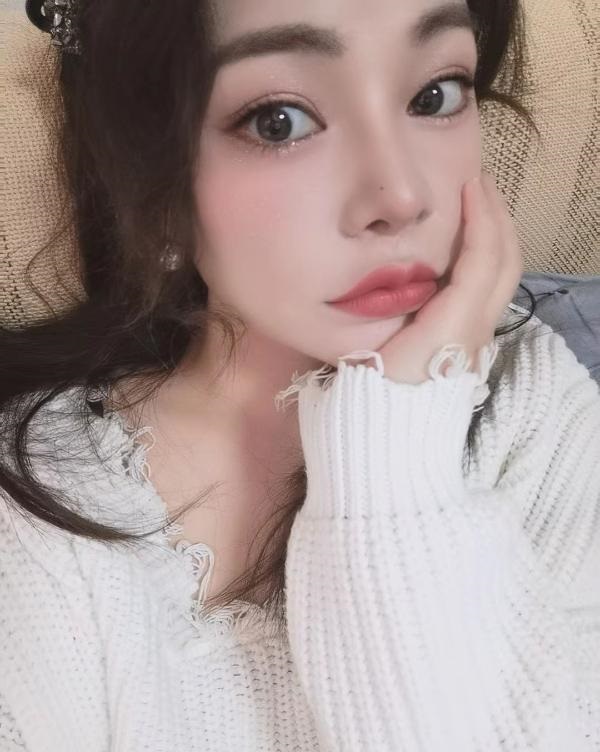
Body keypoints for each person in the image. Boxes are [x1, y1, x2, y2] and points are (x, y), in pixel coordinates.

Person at [1, 0, 598, 749]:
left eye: (435, 95)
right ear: (153, 179)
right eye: (278, 122)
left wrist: (397, 446)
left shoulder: (535, 403)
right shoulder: (33, 507)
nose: (401, 197)